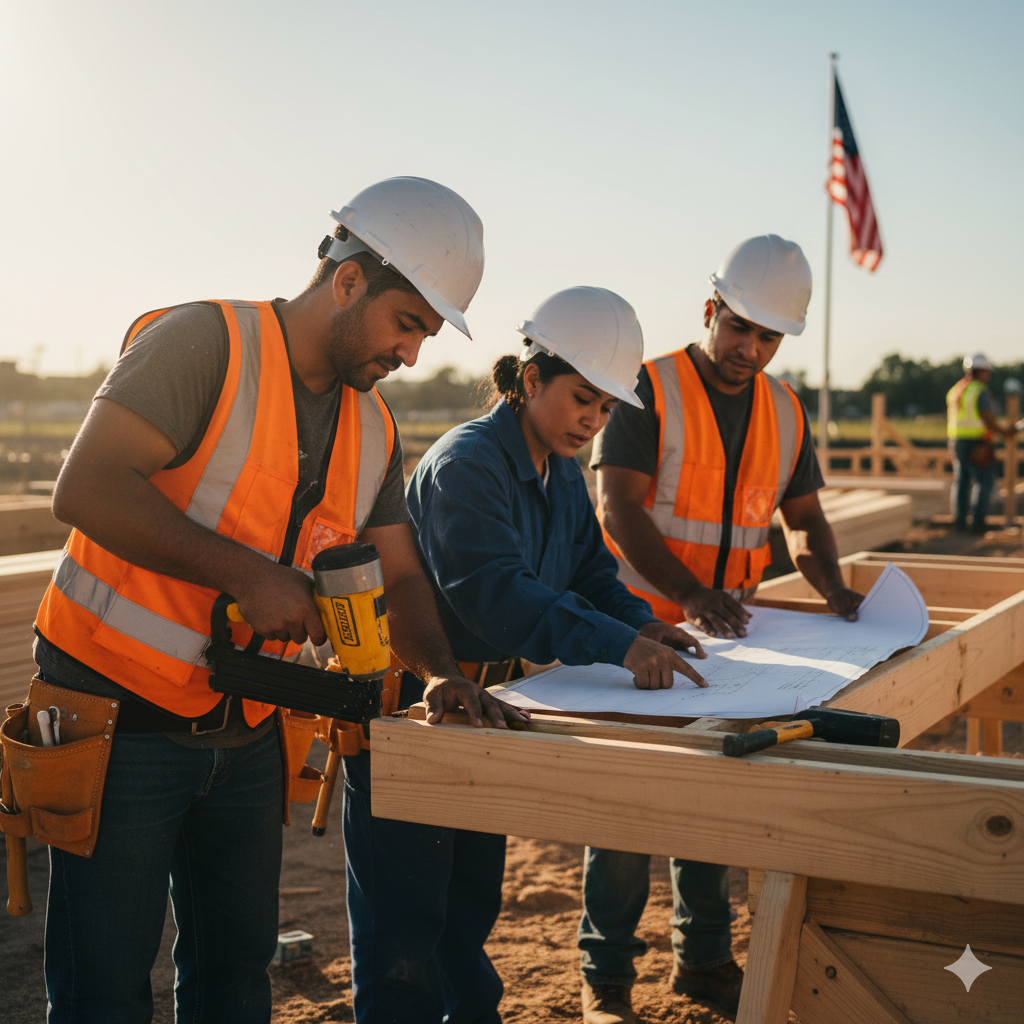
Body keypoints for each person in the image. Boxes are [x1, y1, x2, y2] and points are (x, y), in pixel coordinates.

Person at [29, 176, 517, 1024]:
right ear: (350, 278)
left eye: (427, 336)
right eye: (408, 324)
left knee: (234, 974)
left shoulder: (375, 426)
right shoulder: (204, 343)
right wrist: (246, 576)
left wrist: (437, 673)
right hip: (118, 714)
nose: (412, 355)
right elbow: (88, 488)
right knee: (104, 988)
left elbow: (400, 576)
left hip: (248, 726)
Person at [369, 286, 710, 1024]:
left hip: (488, 713)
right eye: (582, 398)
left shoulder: (559, 474)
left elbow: (590, 574)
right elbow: (499, 595)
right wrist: (617, 645)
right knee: (407, 932)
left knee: (469, 911)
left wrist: (645, 626)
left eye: (607, 409)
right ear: (531, 380)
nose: (592, 420)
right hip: (419, 709)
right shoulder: (469, 464)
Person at [582, 235, 865, 1022]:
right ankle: (605, 977)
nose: (749, 348)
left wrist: (837, 588)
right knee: (624, 809)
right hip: (631, 627)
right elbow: (620, 507)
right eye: (738, 327)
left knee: (711, 798)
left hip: (726, 641)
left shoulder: (785, 408)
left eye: (767, 337)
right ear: (711, 311)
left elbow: (804, 518)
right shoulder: (648, 387)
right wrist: (690, 592)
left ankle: (702, 963)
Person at [946, 353, 1015, 533]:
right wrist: (1004, 432)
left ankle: (959, 522)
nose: (988, 375)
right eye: (987, 371)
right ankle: (977, 522)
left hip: (956, 440)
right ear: (981, 371)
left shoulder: (956, 390)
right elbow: (987, 417)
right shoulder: (979, 390)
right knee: (984, 481)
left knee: (961, 481)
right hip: (976, 441)